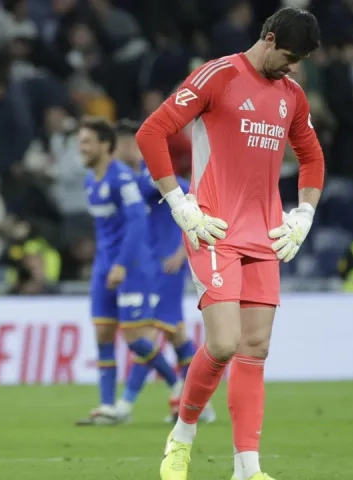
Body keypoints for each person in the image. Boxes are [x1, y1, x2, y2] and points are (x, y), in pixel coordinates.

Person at [136, 7, 324, 480]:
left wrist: (304, 213)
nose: (293, 67)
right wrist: (180, 203)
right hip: (213, 226)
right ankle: (182, 437)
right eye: (289, 55)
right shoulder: (218, 75)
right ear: (269, 36)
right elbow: (151, 131)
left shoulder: (292, 96)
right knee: (222, 342)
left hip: (265, 233)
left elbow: (311, 156)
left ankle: (247, 468)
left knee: (255, 348)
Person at [74, 117, 182, 426]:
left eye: (87, 143)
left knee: (134, 336)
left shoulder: (122, 179)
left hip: (132, 265)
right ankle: (108, 406)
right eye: (80, 142)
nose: (81, 149)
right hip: (104, 266)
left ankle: (176, 383)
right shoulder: (90, 180)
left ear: (105, 145)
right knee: (103, 333)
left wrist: (122, 263)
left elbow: (137, 223)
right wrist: (105, 263)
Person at [113, 120, 214, 425]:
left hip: (166, 268)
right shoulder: (122, 183)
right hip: (142, 269)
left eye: (129, 143)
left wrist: (182, 252)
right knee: (176, 334)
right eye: (119, 144)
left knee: (143, 334)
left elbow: (201, 209)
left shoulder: (157, 179)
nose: (123, 149)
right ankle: (196, 404)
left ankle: (127, 403)